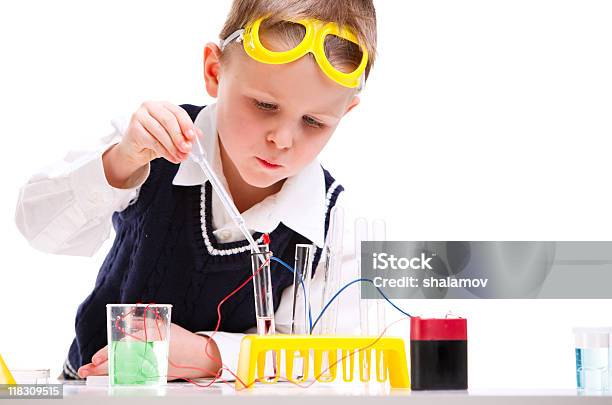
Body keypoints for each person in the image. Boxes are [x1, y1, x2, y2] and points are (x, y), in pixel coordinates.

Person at [15, 0, 377, 381]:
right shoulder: (150, 145)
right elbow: (37, 228)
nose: (282, 139)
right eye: (264, 104)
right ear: (214, 71)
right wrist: (120, 162)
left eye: (314, 121)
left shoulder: (334, 224)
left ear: (345, 113)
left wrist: (209, 355)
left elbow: (334, 358)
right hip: (96, 390)